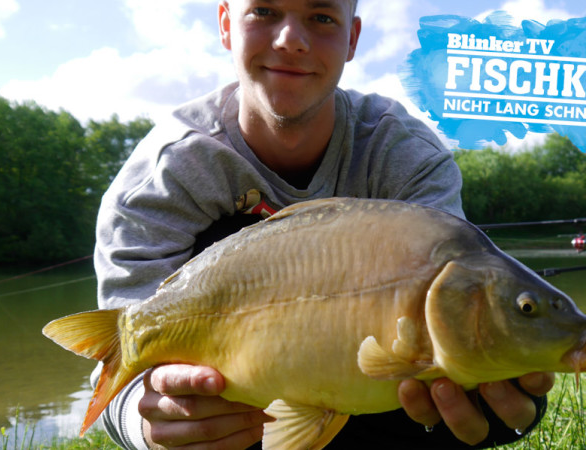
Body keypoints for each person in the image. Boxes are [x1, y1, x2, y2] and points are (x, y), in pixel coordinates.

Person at [93, 0, 555, 448]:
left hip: (382, 394)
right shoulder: (164, 174)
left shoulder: (406, 154)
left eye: (321, 16)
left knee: (495, 391)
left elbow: (465, 280)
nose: (291, 39)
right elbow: (115, 358)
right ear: (226, 24)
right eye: (264, 11)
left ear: (352, 37)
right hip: (233, 411)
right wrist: (148, 423)